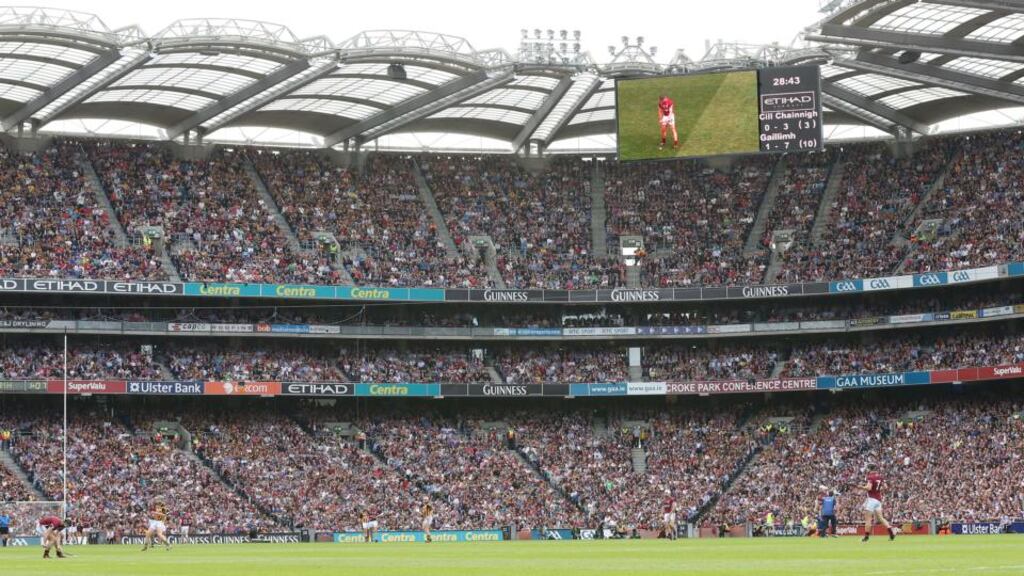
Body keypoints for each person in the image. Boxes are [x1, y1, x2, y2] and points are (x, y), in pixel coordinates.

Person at [860, 465, 896, 542]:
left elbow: (869, 488)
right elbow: (886, 487)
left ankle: (866, 537)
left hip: (871, 499)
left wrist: (861, 487)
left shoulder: (870, 477)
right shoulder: (880, 477)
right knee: (881, 518)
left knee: (868, 519)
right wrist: (877, 490)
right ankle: (891, 533)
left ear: (870, 469)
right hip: (878, 500)